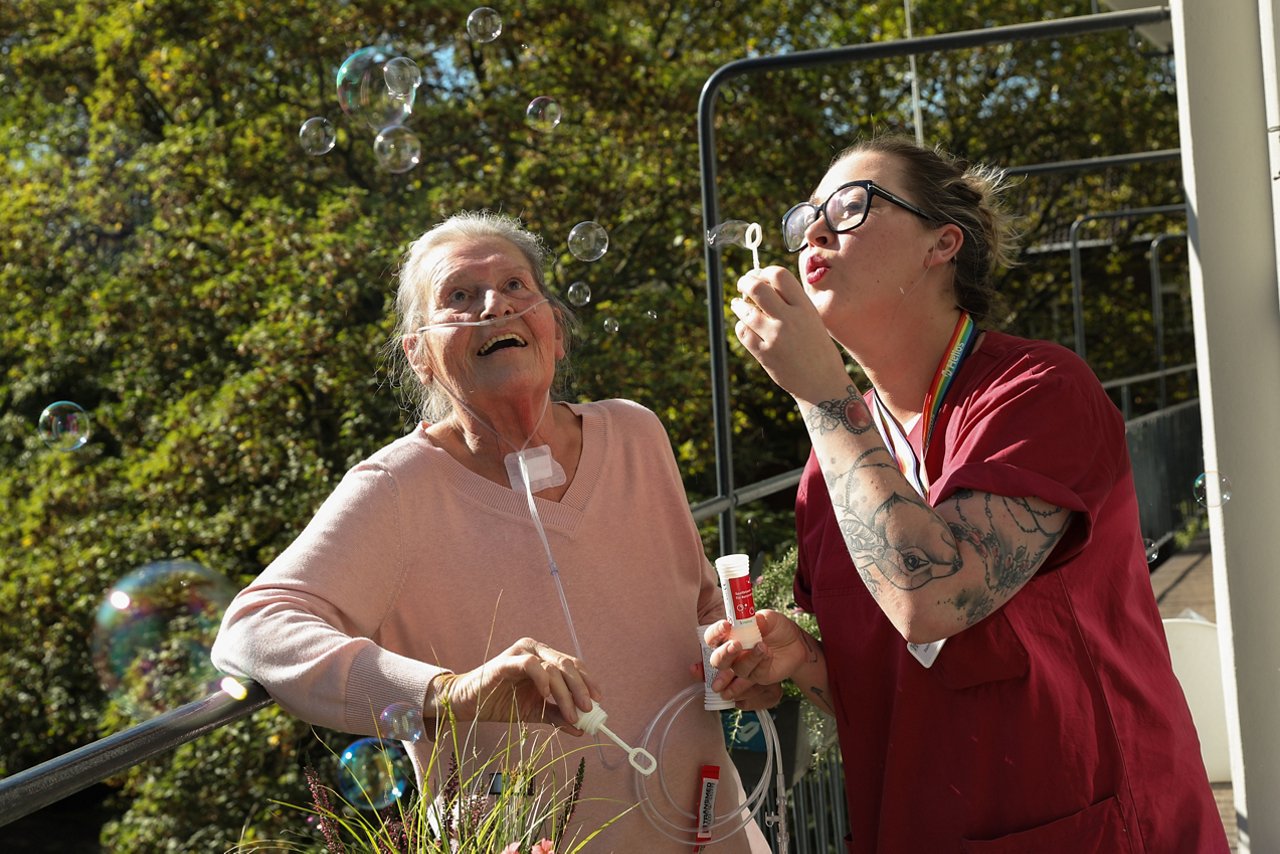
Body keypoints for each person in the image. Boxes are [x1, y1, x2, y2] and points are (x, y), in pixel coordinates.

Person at [707, 134, 1228, 852]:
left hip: (1089, 827)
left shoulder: (1038, 392)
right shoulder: (830, 466)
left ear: (941, 243)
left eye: (852, 206)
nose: (817, 230)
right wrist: (806, 662)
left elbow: (929, 604)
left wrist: (822, 395)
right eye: (806, 220)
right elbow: (896, 686)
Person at [211, 211, 774, 853]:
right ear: (419, 354)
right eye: (459, 296)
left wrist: (734, 657)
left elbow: (697, 610)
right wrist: (452, 692)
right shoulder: (396, 488)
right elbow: (254, 628)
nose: (494, 306)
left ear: (555, 331)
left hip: (711, 832)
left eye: (515, 286)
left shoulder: (636, 434)